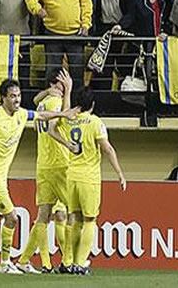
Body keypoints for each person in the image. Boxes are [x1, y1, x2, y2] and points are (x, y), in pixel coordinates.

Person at [0, 78, 77, 275]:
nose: (17, 99)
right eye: (12, 96)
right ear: (3, 98)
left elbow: (40, 115)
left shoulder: (21, 114)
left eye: (19, 95)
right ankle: (5, 264)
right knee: (12, 218)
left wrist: (62, 113)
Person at [48, 85, 127, 275]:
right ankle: (81, 263)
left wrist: (66, 144)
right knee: (90, 220)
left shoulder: (69, 120)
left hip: (72, 175)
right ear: (92, 104)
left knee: (74, 218)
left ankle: (67, 262)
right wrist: (120, 173)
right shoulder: (95, 122)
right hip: (89, 178)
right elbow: (107, 149)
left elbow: (51, 130)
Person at [16, 69, 72, 274]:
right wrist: (69, 91)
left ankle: (29, 261)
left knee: (44, 216)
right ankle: (69, 261)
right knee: (71, 211)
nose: (64, 87)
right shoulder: (55, 103)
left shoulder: (42, 103)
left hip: (43, 164)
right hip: (59, 162)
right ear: (56, 85)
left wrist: (53, 89)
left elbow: (36, 98)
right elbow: (60, 121)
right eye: (62, 84)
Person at [25, 0, 93, 87]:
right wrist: (37, 9)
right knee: (52, 72)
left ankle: (77, 103)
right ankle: (52, 101)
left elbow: (87, 5)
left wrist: (86, 24)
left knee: (77, 72)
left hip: (75, 35)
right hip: (52, 34)